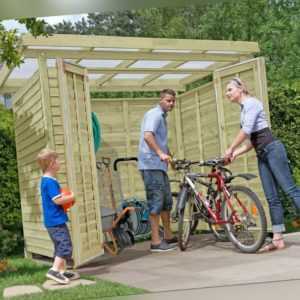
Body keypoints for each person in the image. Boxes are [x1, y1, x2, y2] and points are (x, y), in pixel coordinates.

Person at [224, 77, 300, 252]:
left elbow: (246, 131)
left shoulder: (252, 103)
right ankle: (278, 238)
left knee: (290, 190)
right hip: (262, 154)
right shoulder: (243, 111)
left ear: (240, 89)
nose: (227, 93)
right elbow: (251, 141)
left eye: (229, 89)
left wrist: (230, 148)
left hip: (273, 150)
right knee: (272, 197)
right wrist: (235, 153)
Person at [138, 88, 178, 252]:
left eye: (173, 101)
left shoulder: (162, 117)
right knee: (156, 203)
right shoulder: (154, 114)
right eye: (168, 100)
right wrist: (160, 153)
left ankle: (168, 236)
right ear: (161, 100)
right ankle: (155, 242)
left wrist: (169, 156)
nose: (171, 103)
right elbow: (148, 136)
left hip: (159, 166)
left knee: (166, 202)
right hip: (151, 165)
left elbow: (160, 140)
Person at [37, 148, 77, 284]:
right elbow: (58, 200)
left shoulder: (47, 180)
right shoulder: (50, 182)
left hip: (53, 221)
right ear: (51, 164)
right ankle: (54, 270)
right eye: (57, 160)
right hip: (55, 221)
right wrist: (71, 197)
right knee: (64, 245)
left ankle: (61, 271)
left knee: (60, 245)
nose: (59, 162)